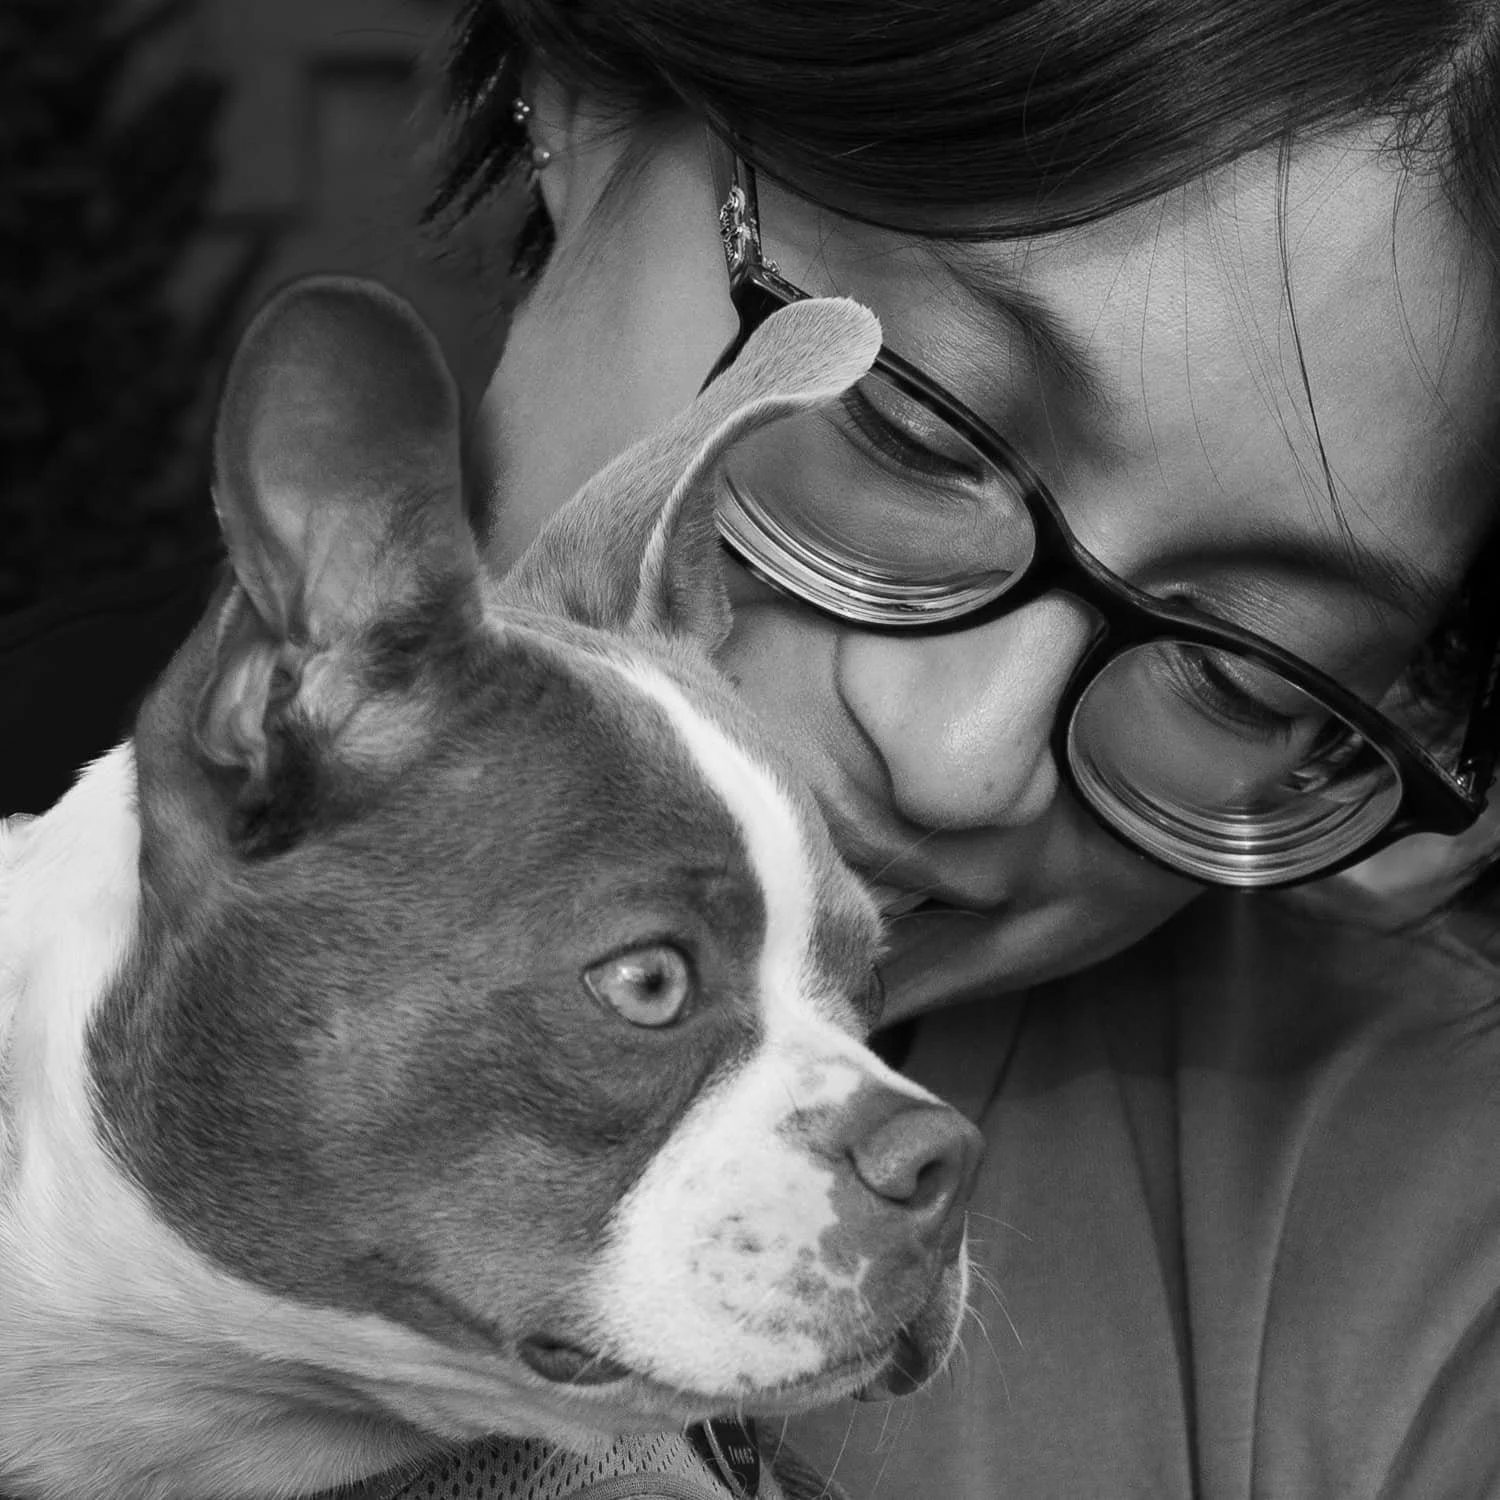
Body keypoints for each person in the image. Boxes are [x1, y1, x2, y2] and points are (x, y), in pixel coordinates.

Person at [5, 2, 1500, 1496]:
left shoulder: (1425, 1254)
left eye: (1245, 676)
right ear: (578, 91)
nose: (964, 758)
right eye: (915, 435)